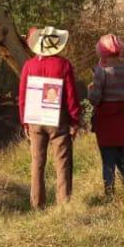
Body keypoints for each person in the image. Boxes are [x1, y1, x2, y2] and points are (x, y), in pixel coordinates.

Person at [18, 26, 82, 209]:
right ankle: (64, 204)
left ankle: (37, 204)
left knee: (37, 162)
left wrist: (24, 121)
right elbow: (71, 96)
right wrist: (75, 120)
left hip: (35, 120)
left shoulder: (29, 65)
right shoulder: (64, 65)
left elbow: (22, 96)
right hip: (58, 121)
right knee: (62, 163)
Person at [88, 33, 124, 196]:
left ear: (101, 51)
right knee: (122, 159)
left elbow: (95, 100)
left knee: (108, 160)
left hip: (107, 121)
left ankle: (110, 194)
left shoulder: (102, 72)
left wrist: (91, 90)